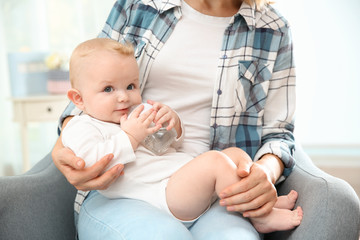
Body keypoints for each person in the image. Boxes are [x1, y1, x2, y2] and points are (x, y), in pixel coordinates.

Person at [52, 0, 297, 239]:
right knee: (214, 163)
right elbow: (89, 144)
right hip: (152, 193)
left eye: (130, 86)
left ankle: (263, 203)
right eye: (109, 90)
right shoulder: (137, 5)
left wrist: (174, 125)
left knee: (235, 156)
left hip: (190, 178)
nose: (123, 97)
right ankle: (260, 217)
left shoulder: (273, 29)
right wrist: (127, 137)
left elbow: (165, 145)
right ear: (78, 99)